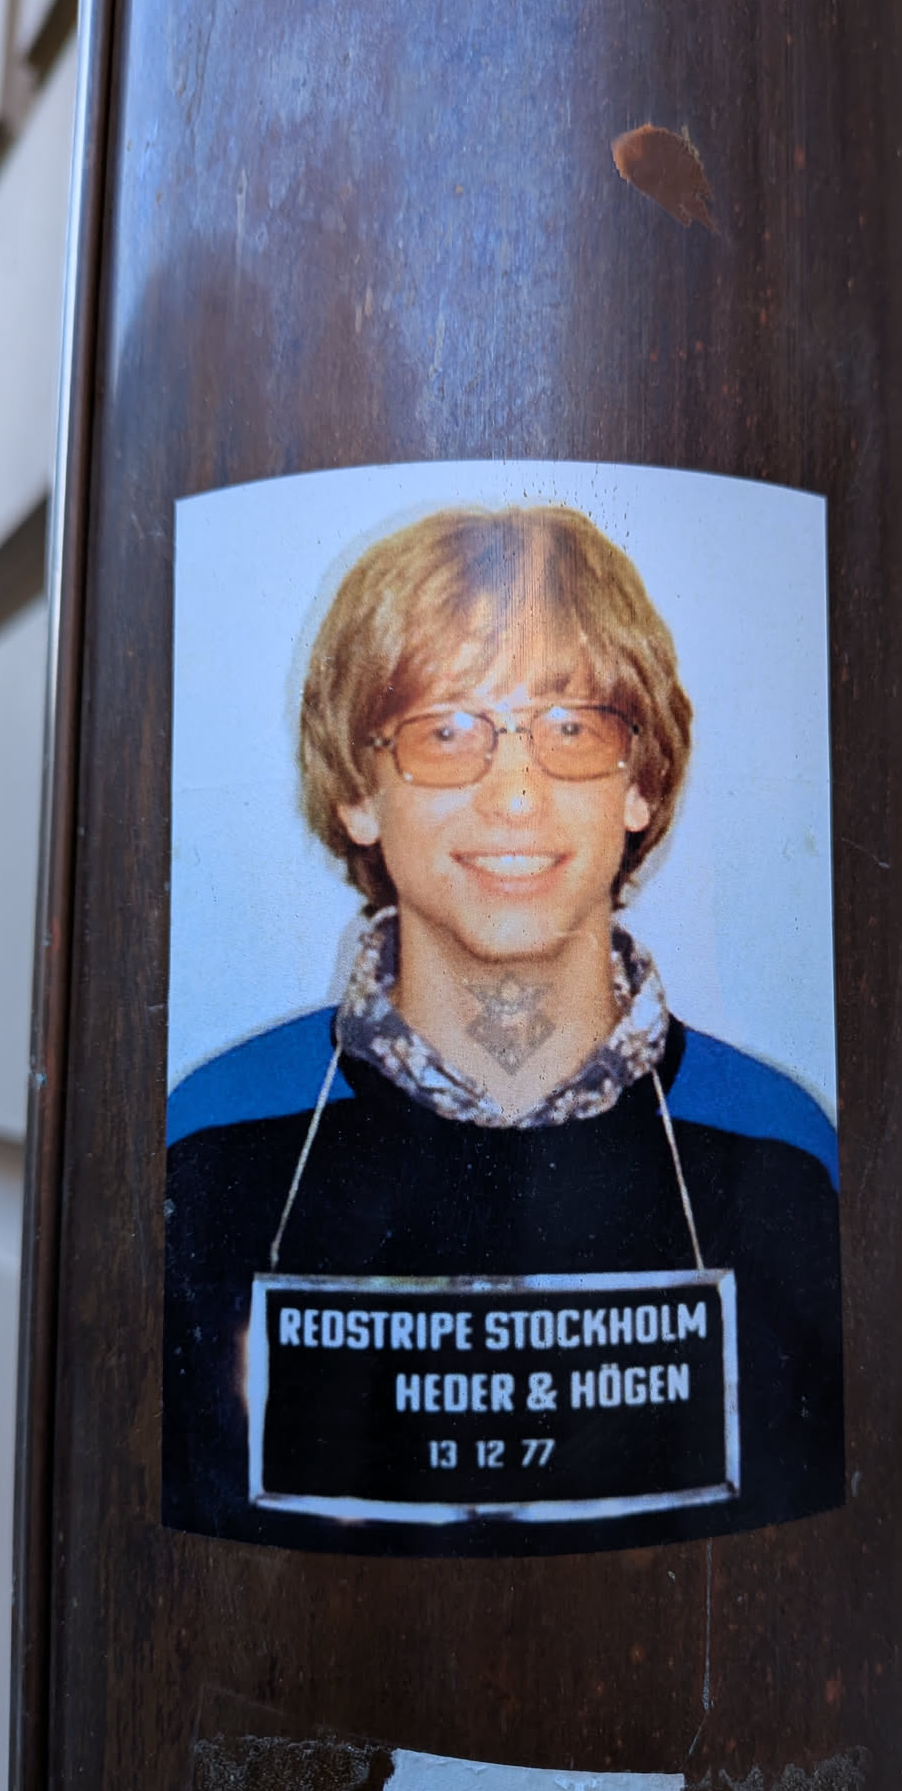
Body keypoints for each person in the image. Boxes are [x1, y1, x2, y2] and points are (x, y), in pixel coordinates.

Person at [163, 503, 842, 1555]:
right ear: (358, 792)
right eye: (446, 732)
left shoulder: (786, 1151)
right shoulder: (205, 1144)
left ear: (641, 782)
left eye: (572, 731)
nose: (515, 793)